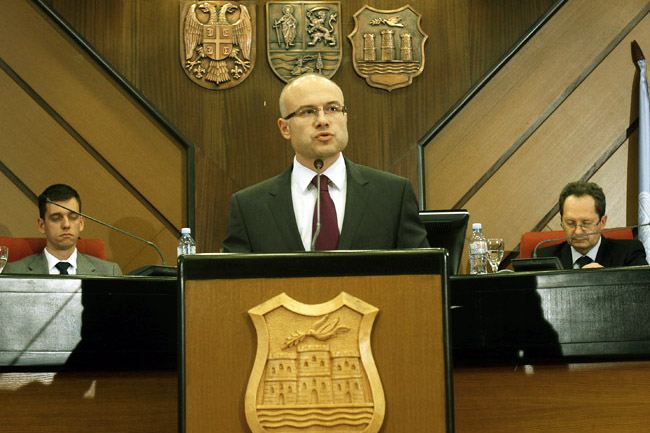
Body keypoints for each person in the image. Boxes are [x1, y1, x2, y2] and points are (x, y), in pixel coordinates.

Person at [222, 74, 429, 252]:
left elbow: (424, 274)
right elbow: (231, 280)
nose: (322, 120)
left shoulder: (392, 194)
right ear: (285, 128)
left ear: (345, 117)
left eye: (332, 108)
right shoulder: (249, 207)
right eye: (308, 111)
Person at [4, 184, 122, 275]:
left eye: (73, 217)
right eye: (56, 218)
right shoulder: (13, 272)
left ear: (81, 223)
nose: (66, 225)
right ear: (42, 225)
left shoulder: (109, 272)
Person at [536, 181, 647, 269]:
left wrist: (608, 279)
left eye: (586, 223)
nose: (578, 232)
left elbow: (643, 288)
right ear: (561, 221)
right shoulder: (543, 258)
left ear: (602, 222)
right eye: (570, 223)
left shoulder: (628, 254)